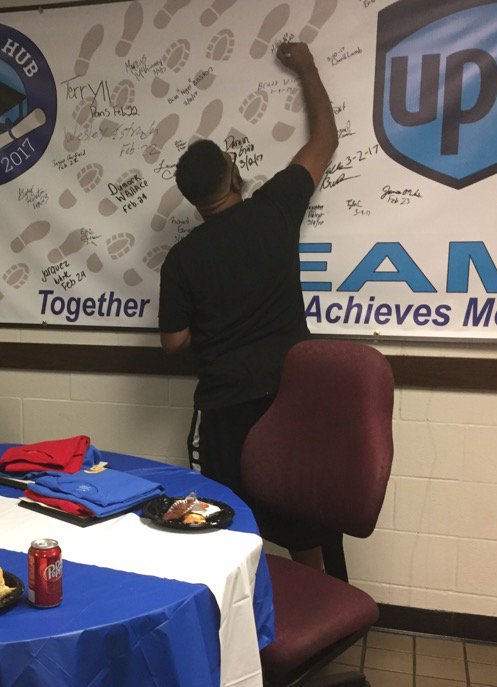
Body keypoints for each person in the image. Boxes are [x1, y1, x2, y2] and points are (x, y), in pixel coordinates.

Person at [158, 42, 337, 569]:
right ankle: (318, 618)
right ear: (233, 174)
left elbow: (174, 343)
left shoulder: (182, 258)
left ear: (192, 201)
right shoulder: (275, 209)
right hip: (290, 394)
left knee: (226, 523)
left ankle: (241, 626)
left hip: (226, 406)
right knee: (304, 518)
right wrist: (307, 66)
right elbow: (325, 139)